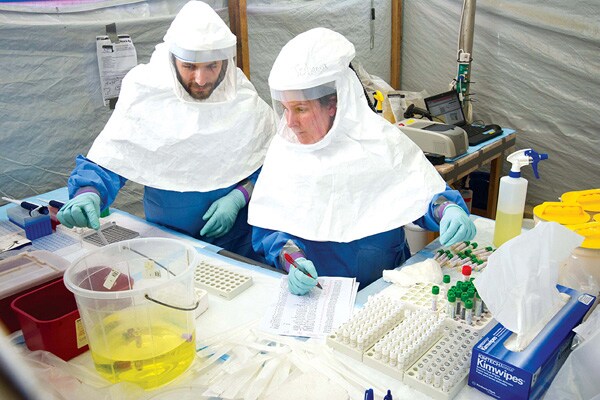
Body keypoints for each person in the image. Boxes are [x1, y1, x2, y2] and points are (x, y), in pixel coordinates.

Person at [249, 28, 476, 295]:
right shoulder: (285, 152)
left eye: (301, 109)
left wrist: (447, 210)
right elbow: (271, 230)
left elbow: (423, 197)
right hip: (320, 294)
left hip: (386, 287)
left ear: (333, 104)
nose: (290, 123)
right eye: (285, 108)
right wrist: (293, 260)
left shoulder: (380, 142)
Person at [57, 1, 276, 261]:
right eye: (190, 66)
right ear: (172, 59)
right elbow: (112, 158)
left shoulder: (241, 98)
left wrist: (240, 196)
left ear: (225, 63)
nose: (201, 79)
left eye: (211, 66)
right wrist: (88, 193)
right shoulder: (147, 93)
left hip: (236, 239)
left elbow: (274, 163)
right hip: (168, 237)